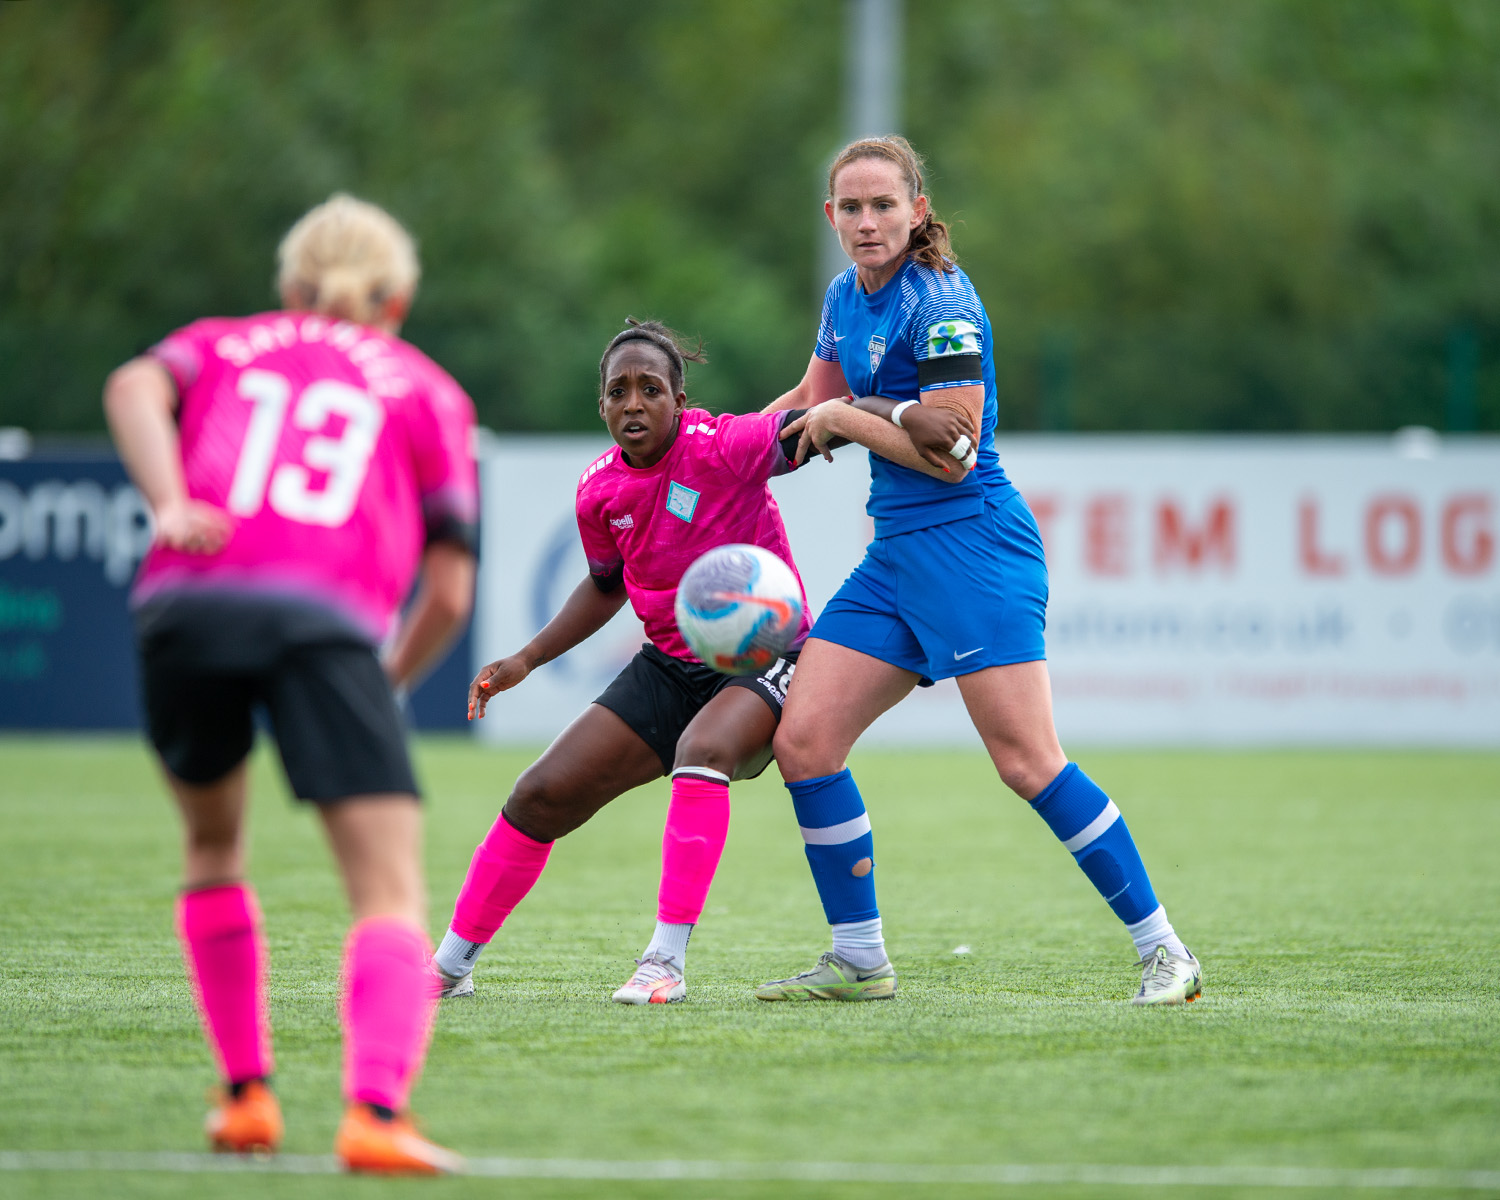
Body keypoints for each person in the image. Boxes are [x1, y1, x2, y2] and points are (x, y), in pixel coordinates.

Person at [756, 136, 1203, 1006]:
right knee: (802, 743)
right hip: (896, 558)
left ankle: (1166, 951)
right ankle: (858, 958)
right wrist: (705, 450)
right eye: (851, 207)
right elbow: (806, 405)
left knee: (1027, 760)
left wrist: (849, 418)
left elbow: (955, 453)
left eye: (884, 204)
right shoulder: (844, 296)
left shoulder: (944, 305)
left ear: (918, 210)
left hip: (974, 546)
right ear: (830, 218)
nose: (867, 221)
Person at [102, 194, 477, 1172]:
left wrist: (171, 501)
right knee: (388, 890)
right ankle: (375, 1115)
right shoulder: (427, 388)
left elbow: (132, 388)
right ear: (396, 301)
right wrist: (385, 678)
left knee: (212, 846)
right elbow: (448, 589)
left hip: (184, 608)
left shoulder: (221, 344)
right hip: (322, 623)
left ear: (289, 286)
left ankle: (245, 1101)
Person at [434, 318, 954, 1006]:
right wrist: (526, 659)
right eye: (618, 391)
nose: (634, 403)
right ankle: (448, 969)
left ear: (680, 400)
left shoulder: (725, 446)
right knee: (539, 794)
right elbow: (604, 585)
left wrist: (905, 415)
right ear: (602, 406)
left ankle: (664, 964)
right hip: (672, 665)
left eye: (652, 388)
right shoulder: (599, 491)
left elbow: (826, 420)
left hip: (772, 656)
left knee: (702, 749)